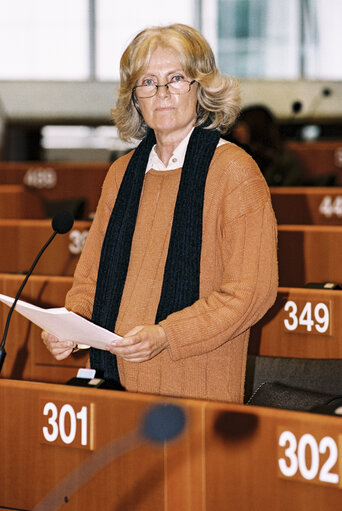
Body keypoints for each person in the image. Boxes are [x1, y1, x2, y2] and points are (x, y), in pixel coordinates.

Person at [42, 24, 278, 403]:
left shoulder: (234, 172)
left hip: (195, 388)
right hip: (113, 384)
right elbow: (89, 282)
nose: (162, 93)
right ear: (136, 97)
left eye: (176, 79)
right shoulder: (121, 175)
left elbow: (251, 293)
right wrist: (71, 327)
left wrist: (168, 335)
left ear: (201, 88)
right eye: (148, 81)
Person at [228, 105, 304, 186]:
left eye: (242, 125)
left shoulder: (284, 161)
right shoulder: (235, 157)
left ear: (256, 128)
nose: (236, 130)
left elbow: (287, 194)